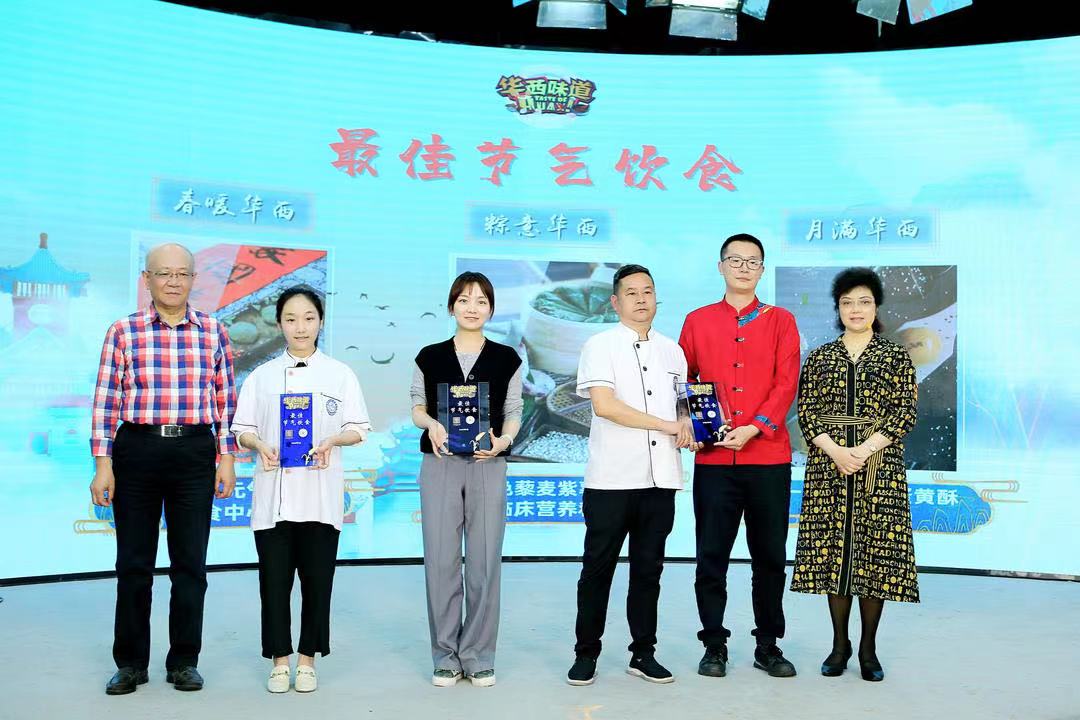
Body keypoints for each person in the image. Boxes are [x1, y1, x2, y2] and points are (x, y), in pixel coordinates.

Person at [90, 243, 237, 695]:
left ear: (193, 279)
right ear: (147, 279)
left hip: (194, 451)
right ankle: (131, 663)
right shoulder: (123, 330)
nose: (173, 281)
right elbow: (105, 401)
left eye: (182, 273)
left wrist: (227, 458)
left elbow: (226, 400)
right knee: (133, 563)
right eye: (163, 273)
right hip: (137, 449)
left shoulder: (213, 331)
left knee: (190, 564)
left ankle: (184, 661)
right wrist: (103, 465)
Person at [231, 286, 372, 693]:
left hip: (321, 496)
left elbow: (358, 428)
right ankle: (279, 661)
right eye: (291, 319)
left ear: (320, 321)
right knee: (273, 585)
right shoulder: (261, 377)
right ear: (279, 324)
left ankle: (308, 660)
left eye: (309, 318)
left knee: (317, 582)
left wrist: (332, 441)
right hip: (273, 497)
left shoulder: (340, 374)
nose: (300, 327)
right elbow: (242, 429)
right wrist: (259, 444)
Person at [678, 233, 801, 679]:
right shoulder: (698, 321)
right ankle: (714, 644)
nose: (744, 267)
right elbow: (685, 379)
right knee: (711, 556)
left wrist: (755, 427)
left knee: (769, 558)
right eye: (736, 260)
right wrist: (697, 426)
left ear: (762, 270)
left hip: (768, 458)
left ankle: (768, 645)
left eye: (753, 261)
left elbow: (787, 381)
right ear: (721, 266)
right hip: (714, 461)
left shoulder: (781, 320)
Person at [566, 265, 695, 687]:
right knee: (597, 569)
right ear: (615, 301)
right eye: (632, 293)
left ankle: (643, 653)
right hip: (611, 479)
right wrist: (667, 425)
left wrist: (689, 427)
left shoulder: (673, 351)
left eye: (648, 291)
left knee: (648, 571)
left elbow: (682, 407)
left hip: (660, 479)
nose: (641, 299)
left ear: (657, 298)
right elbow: (605, 406)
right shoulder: (599, 345)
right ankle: (586, 653)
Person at [791, 267, 919, 682]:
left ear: (876, 307)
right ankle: (839, 644)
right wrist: (836, 452)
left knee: (874, 556)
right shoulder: (821, 357)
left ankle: (868, 648)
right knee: (834, 556)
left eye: (864, 301)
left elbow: (904, 413)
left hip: (879, 465)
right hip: (829, 466)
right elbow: (808, 413)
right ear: (838, 309)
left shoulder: (895, 356)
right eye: (847, 302)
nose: (856, 309)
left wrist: (861, 451)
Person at [411, 271, 523, 688]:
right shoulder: (429, 356)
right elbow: (417, 407)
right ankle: (445, 655)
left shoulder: (507, 358)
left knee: (484, 561)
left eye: (481, 301)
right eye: (464, 300)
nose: (472, 308)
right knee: (441, 561)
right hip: (439, 463)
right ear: (451, 306)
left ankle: (478, 655)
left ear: (491, 309)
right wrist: (431, 425)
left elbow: (513, 410)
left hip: (487, 464)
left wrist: (504, 441)